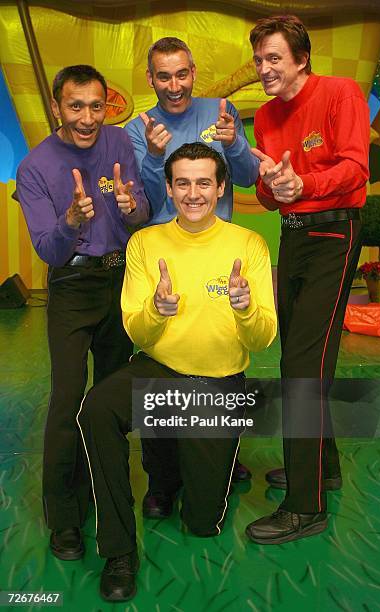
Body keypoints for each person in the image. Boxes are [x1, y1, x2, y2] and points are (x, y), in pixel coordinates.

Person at [77, 142, 277, 602]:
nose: (193, 193)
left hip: (218, 385)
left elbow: (262, 339)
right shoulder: (146, 243)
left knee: (203, 524)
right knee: (97, 410)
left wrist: (245, 309)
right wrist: (158, 309)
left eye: (203, 182)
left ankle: (175, 463)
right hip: (160, 372)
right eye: (182, 183)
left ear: (220, 187)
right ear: (168, 188)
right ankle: (119, 550)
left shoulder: (249, 245)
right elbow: (137, 331)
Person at [245, 15, 370, 544]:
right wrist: (276, 186)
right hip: (293, 236)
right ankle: (325, 468)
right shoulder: (267, 117)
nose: (264, 69)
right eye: (258, 60)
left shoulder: (341, 93)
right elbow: (274, 195)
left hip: (334, 235)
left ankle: (305, 506)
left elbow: (355, 170)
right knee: (307, 358)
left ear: (301, 58)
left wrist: (305, 181)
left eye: (274, 58)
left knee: (302, 364)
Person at [16, 65, 149, 560]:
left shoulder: (118, 143)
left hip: (119, 280)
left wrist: (133, 204)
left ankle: (103, 490)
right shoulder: (35, 166)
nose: (88, 117)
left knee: (113, 394)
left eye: (97, 105)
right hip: (71, 285)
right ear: (56, 107)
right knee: (69, 397)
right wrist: (72, 219)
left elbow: (137, 216)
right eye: (76, 106)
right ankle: (64, 516)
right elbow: (49, 251)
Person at [126, 37, 259, 510]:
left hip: (219, 253)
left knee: (223, 355)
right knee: (163, 364)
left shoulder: (221, 109)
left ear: (194, 71)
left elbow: (244, 177)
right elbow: (142, 207)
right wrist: (151, 158)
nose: (174, 85)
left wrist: (236, 141)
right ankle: (161, 478)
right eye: (164, 76)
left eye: (182, 74)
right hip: (164, 256)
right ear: (150, 79)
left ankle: (225, 450)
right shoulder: (137, 126)